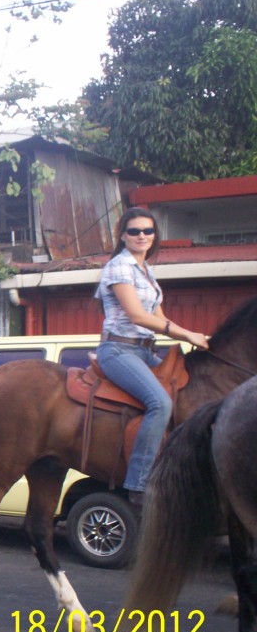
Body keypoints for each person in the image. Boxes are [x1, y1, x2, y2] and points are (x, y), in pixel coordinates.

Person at [94, 208, 209, 507]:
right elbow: (137, 315)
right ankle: (140, 484)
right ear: (123, 236)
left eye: (147, 230)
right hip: (118, 350)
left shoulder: (146, 271)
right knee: (160, 403)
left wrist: (193, 339)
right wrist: (188, 334)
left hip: (145, 351)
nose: (141, 235)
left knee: (186, 392)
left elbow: (160, 318)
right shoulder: (119, 267)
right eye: (134, 231)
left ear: (155, 235)